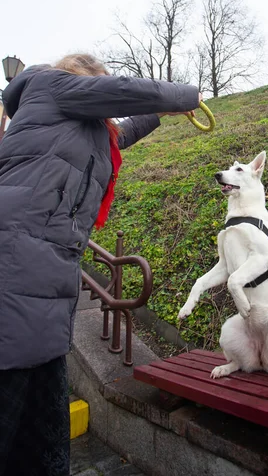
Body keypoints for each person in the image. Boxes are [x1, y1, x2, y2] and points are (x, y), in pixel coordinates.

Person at [0, 53, 201, 476]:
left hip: (49, 280)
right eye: (98, 84)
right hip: (13, 264)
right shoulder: (50, 85)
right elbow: (121, 92)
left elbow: (120, 134)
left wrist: (161, 114)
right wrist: (185, 95)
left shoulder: (81, 126)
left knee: (42, 438)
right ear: (84, 78)